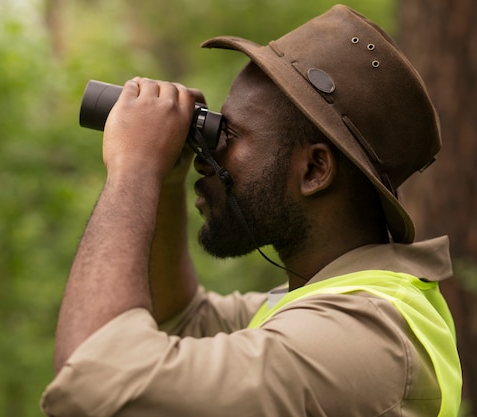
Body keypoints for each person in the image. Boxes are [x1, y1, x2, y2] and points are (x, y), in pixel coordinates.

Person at [41, 4, 462, 416]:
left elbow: (90, 379)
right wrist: (167, 178)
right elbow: (179, 319)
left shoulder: (365, 336)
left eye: (233, 135)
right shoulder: (313, 303)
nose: (208, 157)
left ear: (314, 169)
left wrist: (133, 168)